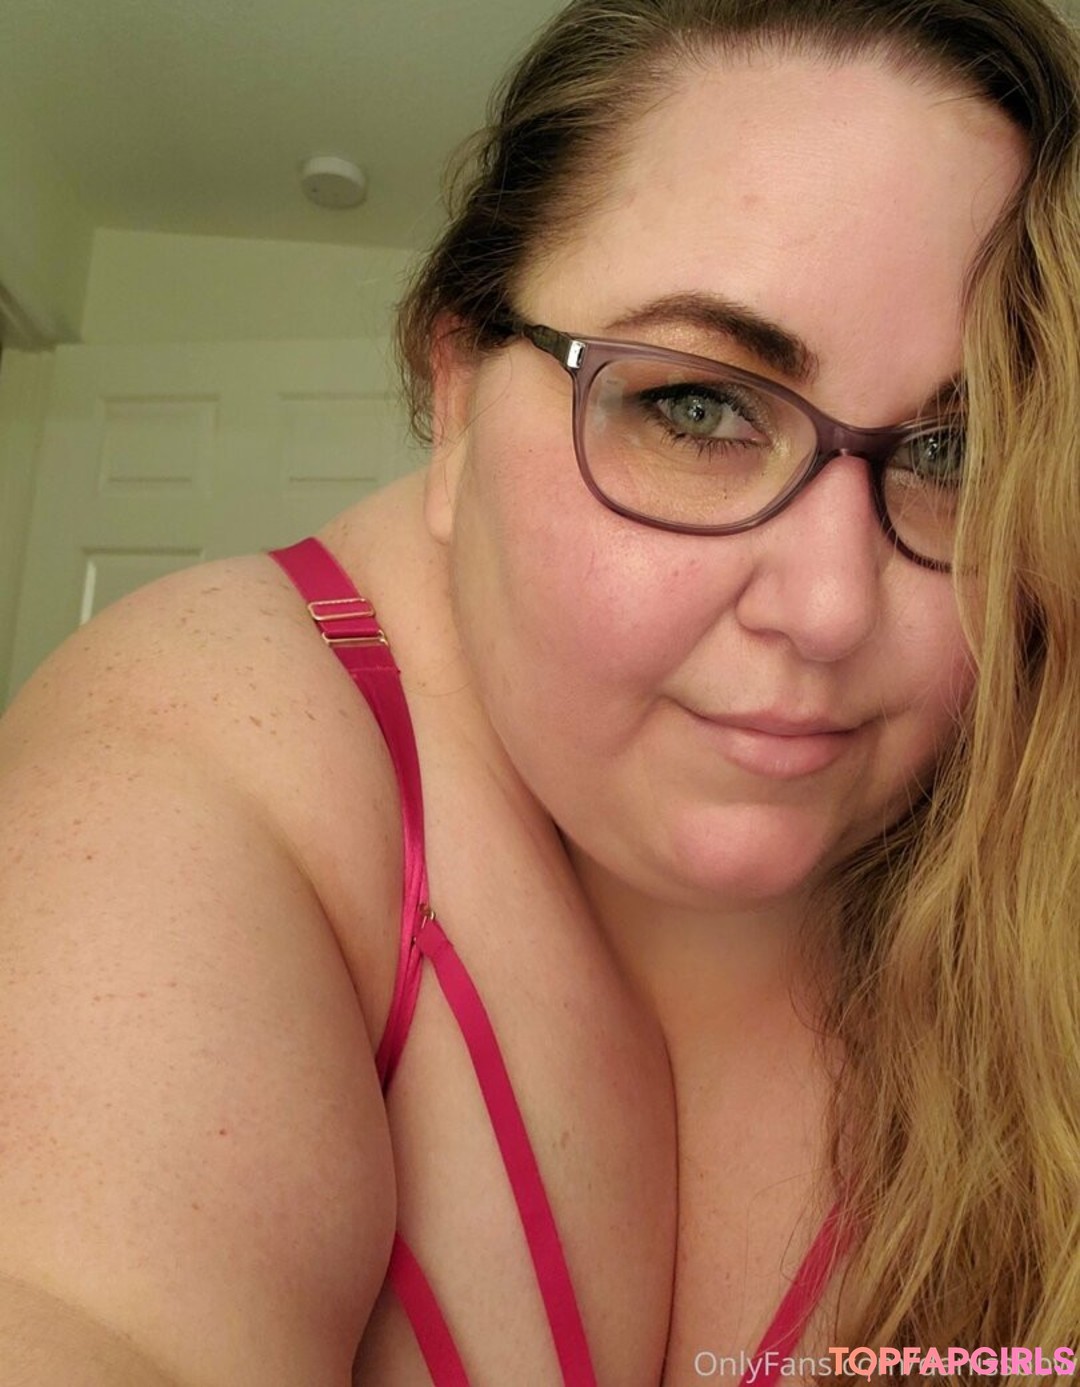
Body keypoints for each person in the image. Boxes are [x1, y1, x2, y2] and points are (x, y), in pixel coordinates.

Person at [1, 0, 1078, 1382]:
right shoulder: (203, 757)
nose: (829, 610)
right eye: (696, 408)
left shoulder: (1033, 789)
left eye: (954, 451)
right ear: (455, 401)